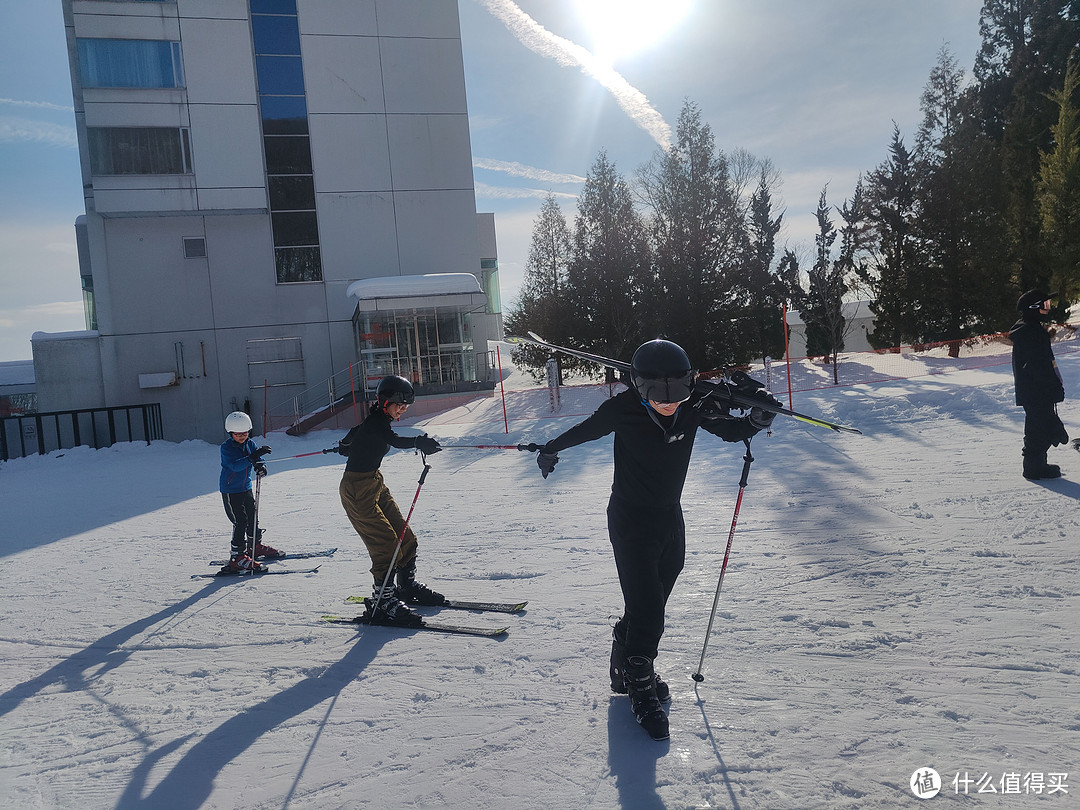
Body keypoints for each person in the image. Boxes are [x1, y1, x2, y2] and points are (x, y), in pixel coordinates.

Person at [531, 339, 779, 741]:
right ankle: (640, 683)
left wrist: (755, 419)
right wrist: (550, 449)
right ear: (639, 388)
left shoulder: (693, 405)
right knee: (649, 610)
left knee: (654, 597)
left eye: (677, 394)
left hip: (669, 517)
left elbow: (731, 431)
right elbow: (586, 430)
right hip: (630, 521)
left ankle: (626, 656)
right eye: (658, 396)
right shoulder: (623, 408)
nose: (668, 403)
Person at [336, 375, 444, 626]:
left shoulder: (377, 421)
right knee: (386, 544)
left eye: (406, 405)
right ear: (385, 401)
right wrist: (418, 442)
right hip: (356, 489)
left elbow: (357, 431)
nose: (403, 409)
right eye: (399, 404)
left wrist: (345, 444)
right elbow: (393, 440)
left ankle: (405, 587)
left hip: (374, 482)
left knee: (405, 537)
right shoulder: (377, 423)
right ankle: (382, 601)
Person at [1010, 289, 1069, 479]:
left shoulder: (1030, 328)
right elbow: (1038, 366)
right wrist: (1053, 387)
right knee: (1038, 428)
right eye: (1045, 305)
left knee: (1040, 425)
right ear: (1034, 308)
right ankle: (1034, 467)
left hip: (1034, 389)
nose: (1048, 308)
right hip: (1037, 390)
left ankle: (1037, 464)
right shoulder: (1031, 332)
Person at [219, 411, 282, 573]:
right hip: (231, 491)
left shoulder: (250, 443)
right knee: (240, 522)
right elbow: (234, 465)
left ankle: (255, 546)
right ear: (230, 433)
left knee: (252, 517)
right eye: (238, 434)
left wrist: (260, 465)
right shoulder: (226, 448)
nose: (242, 437)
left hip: (246, 487)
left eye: (245, 433)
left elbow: (257, 459)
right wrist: (252, 457)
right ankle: (237, 557)